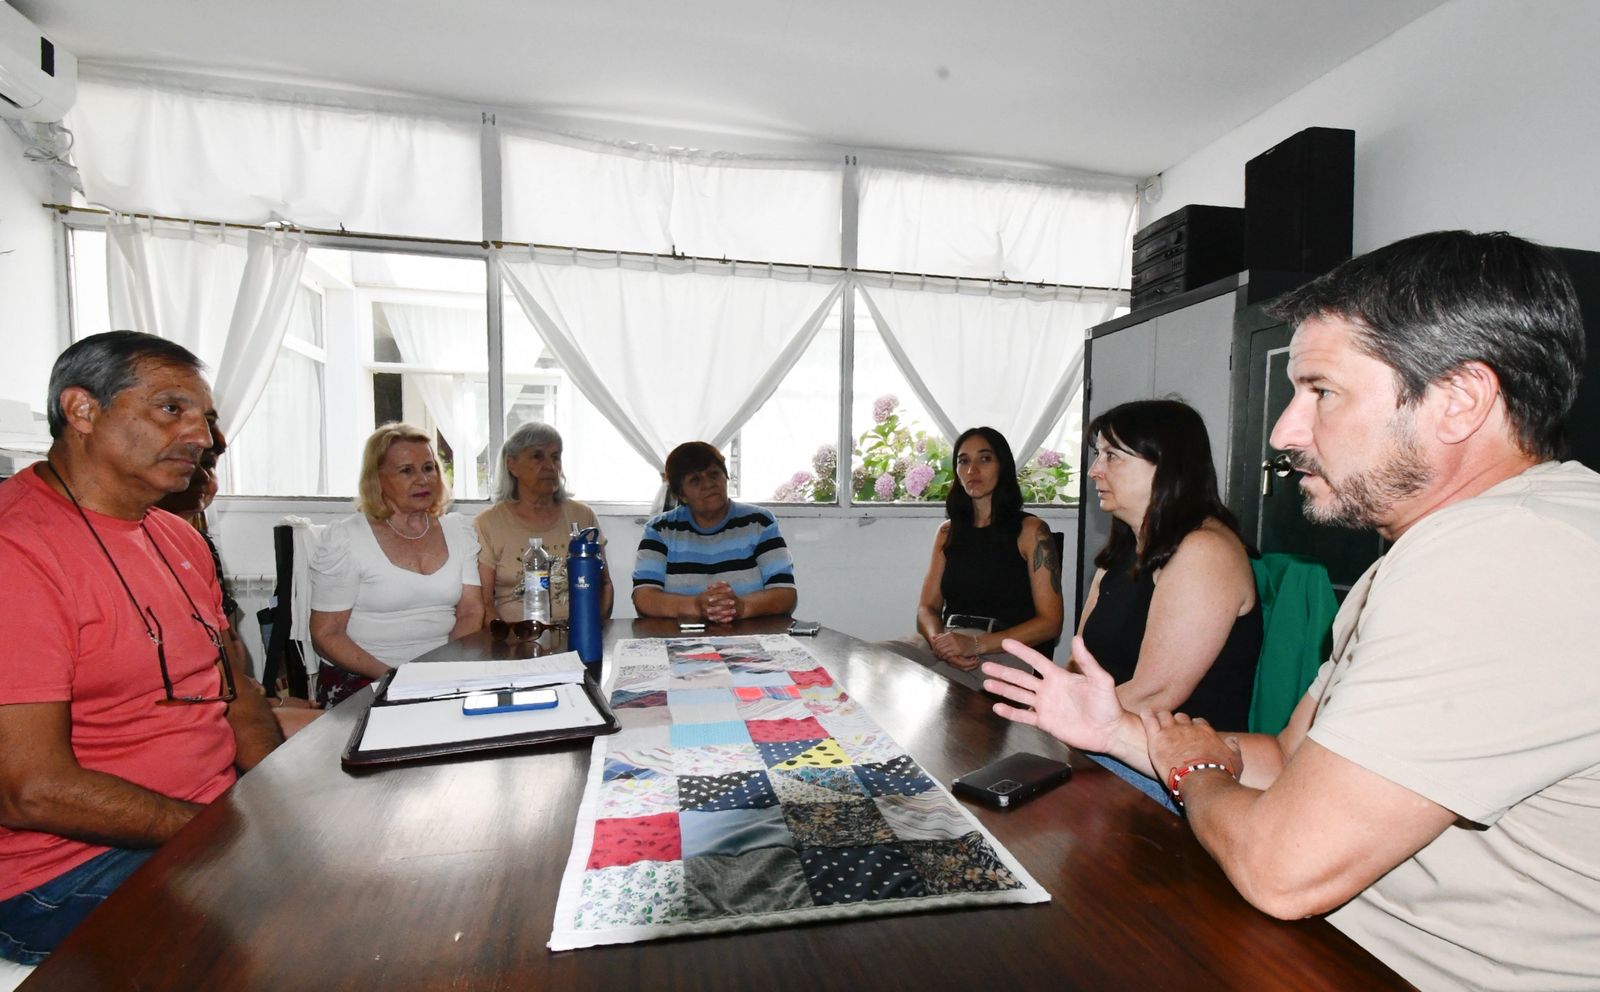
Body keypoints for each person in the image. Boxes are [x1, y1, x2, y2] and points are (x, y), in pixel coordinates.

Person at [982, 231, 1600, 990]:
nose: (1284, 431)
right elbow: (1285, 758)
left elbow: (1283, 870)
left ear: (1460, 400)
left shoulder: (1508, 553)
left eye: (1322, 392)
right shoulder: (1445, 548)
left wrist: (1196, 772)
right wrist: (1116, 730)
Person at [0, 331, 281, 964]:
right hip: (60, 871)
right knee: (302, 937)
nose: (202, 438)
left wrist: (276, 803)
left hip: (199, 827)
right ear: (82, 411)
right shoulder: (17, 550)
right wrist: (222, 836)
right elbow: (27, 788)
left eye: (204, 418)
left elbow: (238, 700)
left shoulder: (178, 540)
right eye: (171, 409)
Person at [1077, 400, 1260, 726]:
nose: (1094, 470)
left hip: (1175, 759)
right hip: (1110, 734)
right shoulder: (1119, 553)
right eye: (1098, 455)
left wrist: (1059, 718)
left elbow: (1155, 695)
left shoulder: (1206, 551)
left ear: (1167, 466)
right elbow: (1080, 663)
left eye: (1112, 456)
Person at [156, 423, 321, 738]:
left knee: (319, 717)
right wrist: (266, 706)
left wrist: (263, 697)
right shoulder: (142, 550)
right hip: (188, 716)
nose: (203, 478)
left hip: (225, 700)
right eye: (190, 464)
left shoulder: (200, 544)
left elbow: (226, 642)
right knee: (328, 732)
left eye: (209, 466)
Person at [309, 423, 483, 705]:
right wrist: (393, 677)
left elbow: (471, 610)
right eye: (406, 470)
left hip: (441, 672)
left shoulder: (459, 531)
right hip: (365, 678)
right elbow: (326, 634)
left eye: (429, 468)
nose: (423, 480)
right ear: (377, 479)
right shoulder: (346, 539)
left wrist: (441, 669)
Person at [889, 427, 1062, 690]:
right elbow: (927, 608)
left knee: (925, 691)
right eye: (963, 461)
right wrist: (941, 643)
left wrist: (975, 644)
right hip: (948, 639)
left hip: (1003, 648)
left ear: (1003, 466)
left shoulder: (1031, 531)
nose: (972, 470)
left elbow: (1051, 622)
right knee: (875, 664)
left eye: (985, 459)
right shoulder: (947, 532)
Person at [632, 441, 797, 622]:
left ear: (726, 478)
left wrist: (741, 607)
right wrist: (696, 606)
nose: (708, 484)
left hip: (751, 637)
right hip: (681, 640)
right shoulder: (659, 530)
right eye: (695, 480)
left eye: (714, 474)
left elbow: (785, 593)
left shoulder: (760, 522)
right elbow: (644, 597)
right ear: (682, 495)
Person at [475, 422, 613, 624]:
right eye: (537, 456)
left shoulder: (582, 516)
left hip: (577, 636)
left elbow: (604, 585)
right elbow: (483, 604)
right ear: (511, 464)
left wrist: (589, 631)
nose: (550, 466)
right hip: (516, 640)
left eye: (555, 456)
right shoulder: (487, 524)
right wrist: (509, 644)